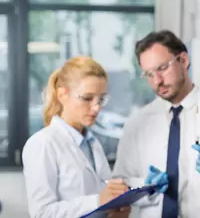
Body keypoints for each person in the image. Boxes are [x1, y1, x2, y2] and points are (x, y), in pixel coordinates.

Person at [113, 30, 200, 218]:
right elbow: (119, 185)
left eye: (162, 68)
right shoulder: (137, 124)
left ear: (183, 60)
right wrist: (144, 185)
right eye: (149, 74)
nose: (157, 81)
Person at [22, 56, 131, 218]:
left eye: (101, 99)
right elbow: (42, 213)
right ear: (62, 95)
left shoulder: (92, 143)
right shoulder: (42, 144)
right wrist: (97, 201)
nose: (96, 107)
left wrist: (116, 210)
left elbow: (103, 197)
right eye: (87, 98)